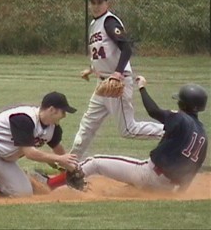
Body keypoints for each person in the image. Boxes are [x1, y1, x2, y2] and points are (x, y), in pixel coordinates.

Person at [41, 77, 209, 192]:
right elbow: (191, 171)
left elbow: (153, 111)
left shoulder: (181, 119)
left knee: (95, 162)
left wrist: (142, 87)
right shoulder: (202, 135)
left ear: (183, 103)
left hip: (149, 174)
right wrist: (178, 195)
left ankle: (51, 184)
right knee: (123, 191)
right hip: (167, 187)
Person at [72, 0, 164, 161]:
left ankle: (171, 130)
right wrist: (91, 69)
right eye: (93, 2)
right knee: (86, 126)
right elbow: (103, 53)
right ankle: (70, 164)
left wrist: (117, 73)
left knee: (128, 130)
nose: (96, 5)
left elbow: (126, 48)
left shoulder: (109, 21)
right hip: (102, 86)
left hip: (116, 84)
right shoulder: (94, 24)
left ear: (107, 4)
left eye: (99, 2)